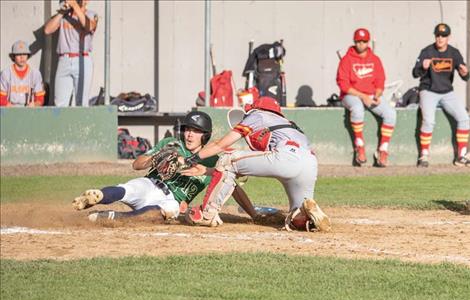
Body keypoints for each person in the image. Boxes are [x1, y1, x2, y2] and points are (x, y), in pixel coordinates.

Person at [72, 111, 259, 222]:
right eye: (187, 129)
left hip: (172, 200)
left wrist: (254, 215)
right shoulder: (171, 143)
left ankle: (111, 217)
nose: (189, 134)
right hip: (151, 184)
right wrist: (156, 158)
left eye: (195, 131)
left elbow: (232, 188)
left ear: (205, 135)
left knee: (171, 209)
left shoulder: (212, 161)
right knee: (128, 188)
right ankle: (98, 196)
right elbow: (136, 165)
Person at [181, 96, 331, 232]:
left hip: (287, 156)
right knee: (295, 218)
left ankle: (207, 214)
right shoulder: (289, 124)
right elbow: (233, 172)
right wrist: (206, 170)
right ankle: (307, 216)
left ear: (257, 108)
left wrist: (191, 159)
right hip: (310, 163)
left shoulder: (258, 115)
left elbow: (221, 146)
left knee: (228, 158)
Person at [336, 28, 396, 167]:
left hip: (370, 95)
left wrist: (378, 93)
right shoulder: (346, 59)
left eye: (364, 41)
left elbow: (380, 80)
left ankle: (383, 150)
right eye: (358, 41)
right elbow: (343, 84)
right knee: (357, 109)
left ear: (368, 42)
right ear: (354, 42)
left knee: (390, 113)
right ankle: (359, 146)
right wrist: (363, 96)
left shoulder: (374, 59)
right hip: (351, 95)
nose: (361, 44)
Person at [412, 23, 470, 167]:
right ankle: (424, 156)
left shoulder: (454, 53)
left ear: (448, 37)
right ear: (435, 36)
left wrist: (466, 73)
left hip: (447, 92)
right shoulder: (427, 51)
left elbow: (465, 75)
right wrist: (422, 67)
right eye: (438, 35)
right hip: (428, 90)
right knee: (429, 121)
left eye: (443, 36)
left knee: (464, 118)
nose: (440, 38)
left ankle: (461, 156)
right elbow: (414, 73)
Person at [44, 0, 98, 107]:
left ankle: (81, 124)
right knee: (59, 103)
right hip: (64, 59)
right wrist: (62, 12)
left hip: (82, 59)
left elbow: (89, 26)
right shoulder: (64, 15)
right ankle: (61, 124)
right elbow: (47, 30)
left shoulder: (92, 14)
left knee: (81, 102)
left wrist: (74, 5)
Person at [0, 40, 45, 107]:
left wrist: (35, 104)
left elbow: (40, 98)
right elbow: (1, 98)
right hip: (10, 110)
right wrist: (6, 104)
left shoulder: (35, 73)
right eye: (18, 54)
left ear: (28, 56)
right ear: (13, 56)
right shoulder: (6, 73)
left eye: (24, 54)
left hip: (29, 110)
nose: (22, 57)